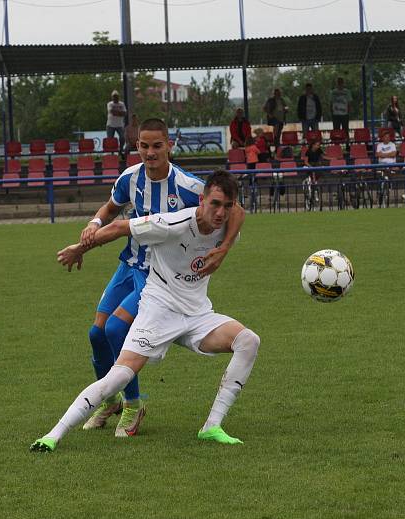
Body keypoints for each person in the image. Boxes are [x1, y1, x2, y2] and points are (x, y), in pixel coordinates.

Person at [31, 171, 259, 452]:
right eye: (215, 204)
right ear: (202, 200)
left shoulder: (226, 228)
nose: (221, 212)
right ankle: (53, 435)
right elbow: (118, 228)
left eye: (227, 206)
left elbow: (239, 213)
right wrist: (80, 248)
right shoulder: (173, 223)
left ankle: (211, 427)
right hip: (158, 310)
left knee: (248, 340)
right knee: (119, 376)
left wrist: (223, 249)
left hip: (198, 315)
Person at [68, 118, 245, 438]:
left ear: (169, 146)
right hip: (129, 264)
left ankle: (133, 405)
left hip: (156, 274)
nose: (150, 153)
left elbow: (236, 211)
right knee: (97, 334)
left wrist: (224, 249)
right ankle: (110, 403)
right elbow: (110, 209)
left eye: (157, 146)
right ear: (137, 147)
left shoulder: (190, 186)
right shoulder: (129, 178)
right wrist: (93, 224)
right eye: (144, 146)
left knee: (116, 328)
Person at [106, 90, 127, 154]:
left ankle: (120, 150)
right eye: (114, 96)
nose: (115, 98)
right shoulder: (110, 104)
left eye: (116, 96)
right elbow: (112, 112)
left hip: (120, 125)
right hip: (110, 125)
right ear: (112, 97)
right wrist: (120, 113)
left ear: (118, 97)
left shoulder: (122, 104)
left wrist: (117, 112)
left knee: (122, 138)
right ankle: (112, 153)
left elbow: (125, 113)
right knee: (110, 140)